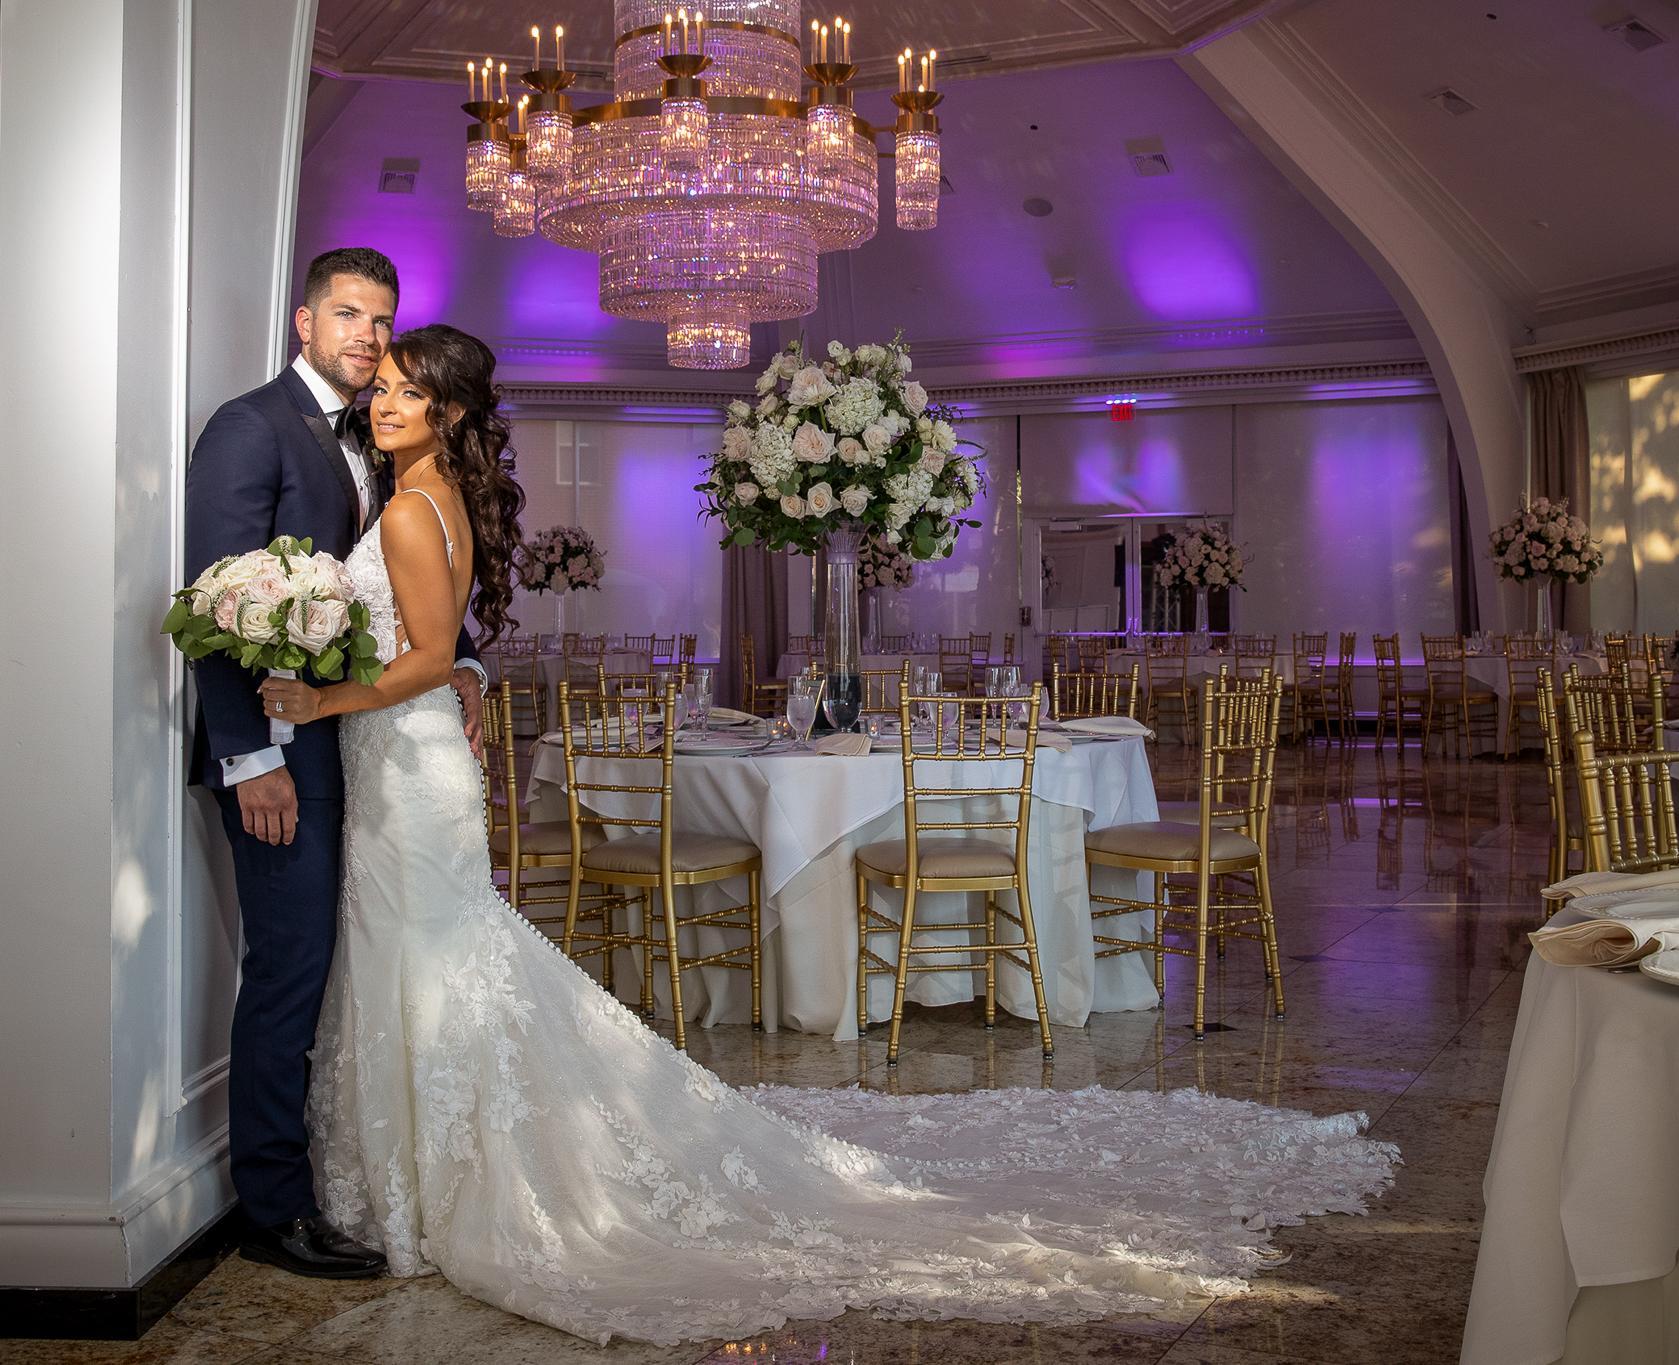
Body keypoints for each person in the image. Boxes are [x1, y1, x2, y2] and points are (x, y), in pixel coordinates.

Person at [257, 323, 1396, 1348]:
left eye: (405, 391)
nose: (382, 402)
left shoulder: (407, 509)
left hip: (405, 765)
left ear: (450, 412)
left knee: (429, 953)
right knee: (432, 955)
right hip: (410, 768)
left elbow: (423, 654)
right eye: (382, 388)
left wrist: (317, 698)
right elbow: (440, 647)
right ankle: (437, 1159)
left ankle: (439, 1174)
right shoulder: (433, 500)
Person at [185, 248, 486, 1280]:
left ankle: (340, 1175)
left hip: (359, 746)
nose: (368, 336)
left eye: (382, 320)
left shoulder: (375, 437)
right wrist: (248, 757)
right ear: (304, 323)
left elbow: (404, 595)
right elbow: (216, 599)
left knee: (337, 970)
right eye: (349, 314)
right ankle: (274, 1208)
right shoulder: (251, 425)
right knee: (291, 971)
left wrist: (463, 666)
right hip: (284, 756)